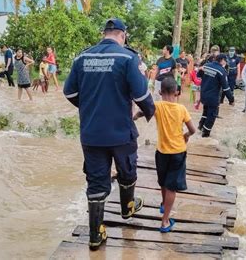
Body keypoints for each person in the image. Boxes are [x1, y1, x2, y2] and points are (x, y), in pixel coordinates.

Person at [63, 18, 155, 251]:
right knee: (127, 169)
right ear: (122, 36)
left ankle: (96, 234)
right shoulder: (127, 58)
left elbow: (70, 92)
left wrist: (88, 107)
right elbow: (142, 96)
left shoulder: (81, 58)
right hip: (120, 132)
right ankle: (128, 207)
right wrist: (150, 112)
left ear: (104, 33)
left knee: (96, 181)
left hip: (91, 133)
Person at [133, 77, 196, 233]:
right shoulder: (182, 109)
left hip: (161, 152)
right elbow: (193, 130)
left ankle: (163, 204)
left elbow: (142, 111)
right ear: (177, 92)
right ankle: (165, 221)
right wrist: (186, 135)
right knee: (171, 187)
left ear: (160, 92)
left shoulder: (157, 106)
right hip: (178, 152)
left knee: (163, 181)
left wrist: (133, 117)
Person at [198, 54, 233, 137]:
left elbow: (198, 75)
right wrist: (231, 99)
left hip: (204, 94)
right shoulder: (221, 71)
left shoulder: (206, 66)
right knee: (212, 115)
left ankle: (200, 127)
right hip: (213, 97)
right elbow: (226, 88)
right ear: (222, 60)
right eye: (225, 61)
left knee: (205, 111)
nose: (226, 62)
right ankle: (205, 134)